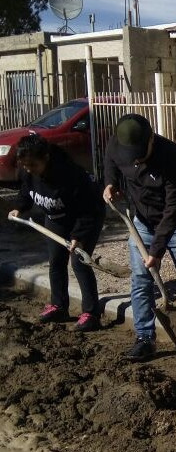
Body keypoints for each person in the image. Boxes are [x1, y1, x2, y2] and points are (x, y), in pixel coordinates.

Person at [103, 113, 176, 368]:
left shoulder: (173, 159)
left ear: (152, 139)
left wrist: (155, 251)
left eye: (141, 154)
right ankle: (144, 337)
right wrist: (110, 183)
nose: (136, 160)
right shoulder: (118, 146)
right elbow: (110, 160)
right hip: (142, 223)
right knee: (141, 280)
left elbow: (173, 211)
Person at [9, 133, 105, 331]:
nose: (29, 170)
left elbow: (88, 209)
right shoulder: (29, 171)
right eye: (25, 166)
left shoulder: (70, 175)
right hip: (55, 219)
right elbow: (26, 191)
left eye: (33, 165)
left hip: (85, 217)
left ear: (46, 158)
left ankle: (91, 314)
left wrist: (78, 237)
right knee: (56, 261)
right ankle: (59, 306)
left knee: (79, 263)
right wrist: (20, 207)